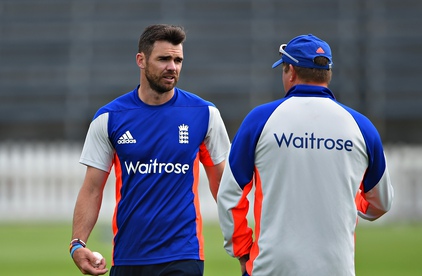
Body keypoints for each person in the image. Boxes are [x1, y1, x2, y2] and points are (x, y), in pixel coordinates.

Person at [217, 34, 394, 276]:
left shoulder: (259, 120)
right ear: (327, 75)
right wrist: (349, 201)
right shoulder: (361, 127)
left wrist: (242, 250)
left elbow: (229, 195)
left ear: (290, 72)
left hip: (271, 267)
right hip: (336, 267)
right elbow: (382, 203)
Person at [69, 24, 230, 276]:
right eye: (164, 59)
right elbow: (92, 189)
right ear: (141, 60)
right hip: (128, 255)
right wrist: (77, 243)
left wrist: (241, 243)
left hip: (183, 253)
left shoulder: (205, 114)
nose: (172, 67)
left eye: (178, 60)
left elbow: (222, 184)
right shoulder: (110, 118)